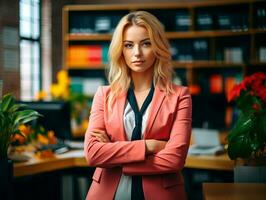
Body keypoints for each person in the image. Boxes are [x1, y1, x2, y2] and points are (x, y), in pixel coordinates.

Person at [84, 11, 192, 200]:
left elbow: (175, 159)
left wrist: (115, 156)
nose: (137, 53)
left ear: (157, 47)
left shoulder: (180, 96)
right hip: (107, 193)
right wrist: (149, 146)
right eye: (128, 45)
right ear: (121, 49)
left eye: (146, 43)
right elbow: (93, 154)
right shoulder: (104, 95)